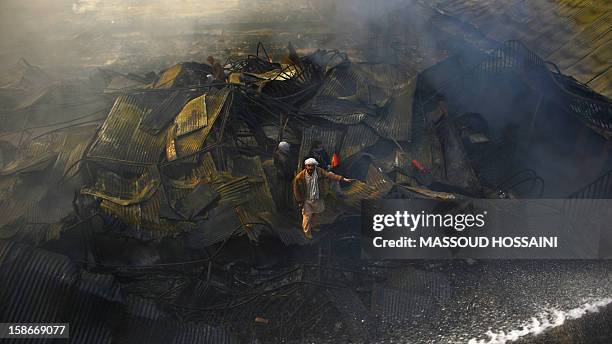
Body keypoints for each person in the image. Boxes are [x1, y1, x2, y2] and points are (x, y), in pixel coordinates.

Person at [293, 158, 355, 240]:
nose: (311, 168)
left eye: (312, 166)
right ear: (306, 166)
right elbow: (296, 190)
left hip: (317, 198)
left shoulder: (319, 171)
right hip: (307, 200)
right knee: (307, 216)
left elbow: (330, 175)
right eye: (309, 166)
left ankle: (313, 226)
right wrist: (299, 200)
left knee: (318, 212)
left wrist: (342, 179)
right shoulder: (299, 177)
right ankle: (307, 233)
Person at [273, 141, 295, 211]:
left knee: (288, 192)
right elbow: (280, 167)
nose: (288, 148)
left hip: (288, 176)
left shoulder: (286, 154)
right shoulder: (278, 155)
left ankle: (288, 206)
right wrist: (283, 174)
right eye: (287, 147)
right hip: (283, 177)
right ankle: (282, 207)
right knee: (282, 192)